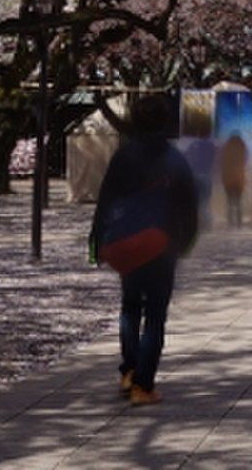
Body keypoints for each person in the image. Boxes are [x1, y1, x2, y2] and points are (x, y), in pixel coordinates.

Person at [90, 95, 201, 405]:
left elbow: (106, 199)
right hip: (160, 243)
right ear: (165, 122)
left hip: (125, 241)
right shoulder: (174, 159)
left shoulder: (123, 156)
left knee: (129, 306)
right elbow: (188, 205)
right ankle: (143, 385)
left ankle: (128, 369)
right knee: (154, 314)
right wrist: (186, 240)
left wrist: (97, 240)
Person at [218, 131, 250, 227]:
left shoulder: (226, 148)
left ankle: (230, 222)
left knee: (229, 201)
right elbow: (245, 161)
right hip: (239, 178)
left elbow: (222, 162)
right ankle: (239, 222)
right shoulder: (242, 147)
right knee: (238, 201)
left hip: (228, 178)